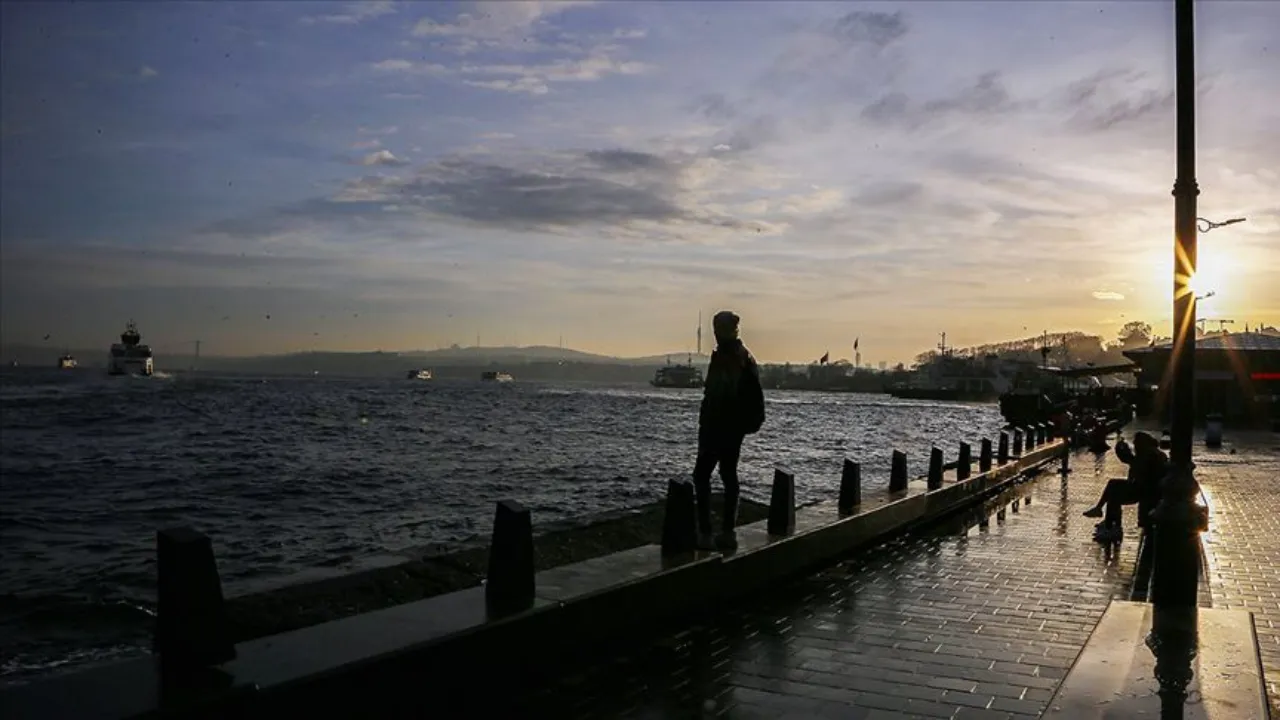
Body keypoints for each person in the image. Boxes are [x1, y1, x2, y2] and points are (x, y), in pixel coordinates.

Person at [692, 310, 765, 551]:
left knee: (703, 475)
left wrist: (708, 422)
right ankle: (727, 531)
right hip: (733, 427)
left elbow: (718, 394)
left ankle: (706, 532)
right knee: (728, 474)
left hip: (720, 425)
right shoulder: (744, 356)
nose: (715, 333)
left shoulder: (729, 357)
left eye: (717, 329)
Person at [1082, 431, 1168, 541]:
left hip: (1145, 490)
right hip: (1145, 488)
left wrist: (1128, 457)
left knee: (1114, 491)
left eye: (1136, 443)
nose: (1135, 446)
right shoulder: (1152, 453)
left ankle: (1111, 525)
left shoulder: (1149, 455)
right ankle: (1109, 522)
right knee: (1113, 486)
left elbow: (1140, 473)